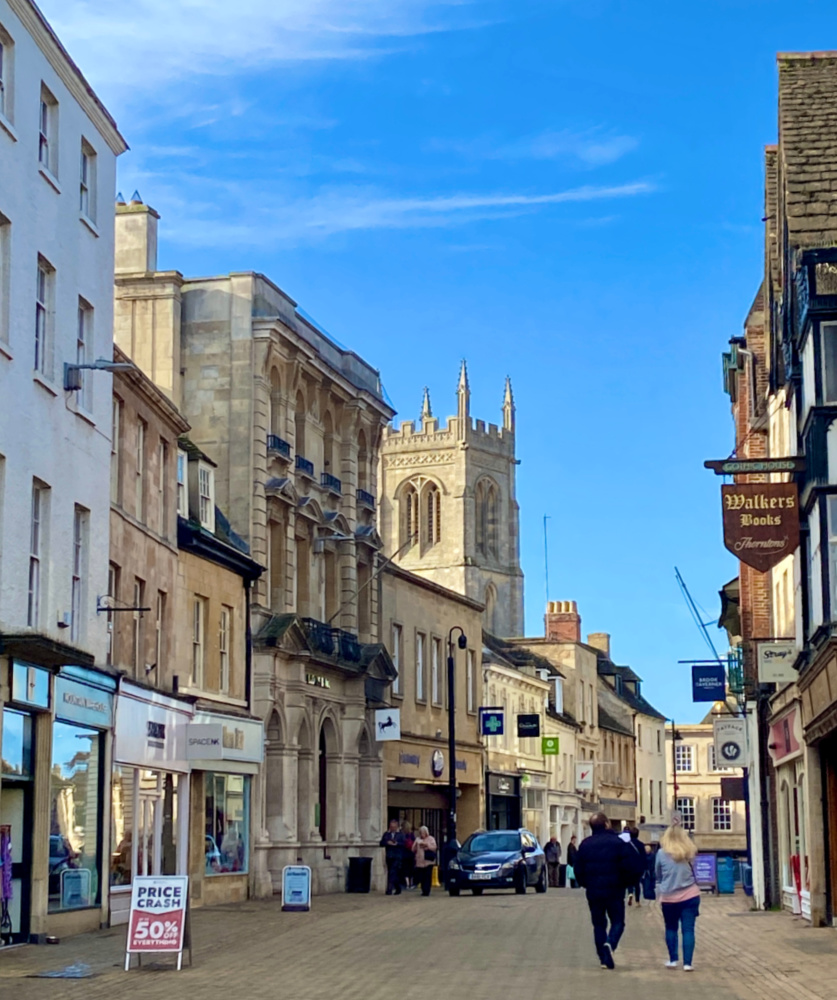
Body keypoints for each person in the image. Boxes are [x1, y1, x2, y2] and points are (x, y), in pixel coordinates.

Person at [573, 812, 646, 970]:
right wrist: (627, 883)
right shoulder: (619, 843)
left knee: (598, 924)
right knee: (618, 921)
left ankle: (603, 958)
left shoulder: (585, 845)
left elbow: (578, 869)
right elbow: (633, 865)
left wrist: (585, 883)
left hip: (594, 891)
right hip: (615, 889)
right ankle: (610, 944)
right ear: (606, 824)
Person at [656, 818, 700, 971]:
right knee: (688, 929)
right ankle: (688, 963)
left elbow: (658, 874)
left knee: (671, 928)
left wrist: (664, 882)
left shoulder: (661, 853)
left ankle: (673, 960)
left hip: (668, 897)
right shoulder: (690, 852)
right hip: (690, 895)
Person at [380, 819, 405, 895]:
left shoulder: (400, 835)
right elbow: (381, 843)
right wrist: (387, 843)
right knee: (392, 873)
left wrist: (396, 843)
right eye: (391, 827)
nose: (392, 828)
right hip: (389, 856)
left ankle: (389, 889)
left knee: (392, 872)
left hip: (397, 856)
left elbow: (403, 844)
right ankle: (398, 887)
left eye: (394, 827)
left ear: (397, 827)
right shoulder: (386, 834)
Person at [412, 826, 438, 896]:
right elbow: (413, 849)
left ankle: (427, 891)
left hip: (428, 861)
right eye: (420, 832)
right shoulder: (418, 839)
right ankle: (423, 890)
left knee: (427, 876)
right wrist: (416, 844)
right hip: (420, 861)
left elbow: (434, 847)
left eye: (423, 832)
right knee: (421, 876)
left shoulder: (431, 839)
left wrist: (427, 845)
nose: (422, 834)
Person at [627, 827, 644, 906]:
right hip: (638, 868)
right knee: (637, 884)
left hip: (629, 867)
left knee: (629, 882)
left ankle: (630, 893)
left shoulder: (626, 844)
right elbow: (644, 857)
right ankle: (637, 901)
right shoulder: (641, 845)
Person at [401, 821, 416, 889]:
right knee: (411, 869)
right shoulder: (412, 835)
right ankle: (411, 883)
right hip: (411, 853)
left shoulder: (402, 834)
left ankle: (407, 884)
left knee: (405, 869)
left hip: (404, 854)